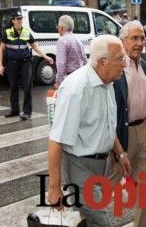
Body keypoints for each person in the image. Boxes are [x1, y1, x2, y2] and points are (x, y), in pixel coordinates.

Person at [47, 35, 131, 227]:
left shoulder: (108, 81)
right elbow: (56, 140)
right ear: (102, 62)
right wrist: (54, 187)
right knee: (101, 221)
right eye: (119, 59)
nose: (124, 64)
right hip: (79, 167)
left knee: (83, 220)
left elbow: (106, 125)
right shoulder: (77, 88)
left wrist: (121, 153)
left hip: (101, 165)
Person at [109, 21, 146, 227]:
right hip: (121, 134)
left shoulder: (144, 65)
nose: (139, 43)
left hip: (145, 130)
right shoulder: (116, 66)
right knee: (106, 187)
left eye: (141, 38)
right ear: (122, 41)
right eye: (134, 38)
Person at [0, 12, 53, 120]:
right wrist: (0, 65)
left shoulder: (26, 32)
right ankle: (15, 110)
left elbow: (35, 46)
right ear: (13, 21)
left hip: (25, 62)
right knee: (13, 86)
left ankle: (27, 112)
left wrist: (45, 56)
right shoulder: (8, 32)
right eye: (17, 19)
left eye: (21, 19)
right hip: (12, 62)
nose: (20, 21)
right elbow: (1, 49)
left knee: (27, 86)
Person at [54, 15, 87, 88]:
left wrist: (59, 81)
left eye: (58, 27)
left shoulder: (62, 41)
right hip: (80, 77)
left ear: (62, 28)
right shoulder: (78, 40)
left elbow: (61, 64)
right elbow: (84, 60)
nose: (58, 29)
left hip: (68, 79)